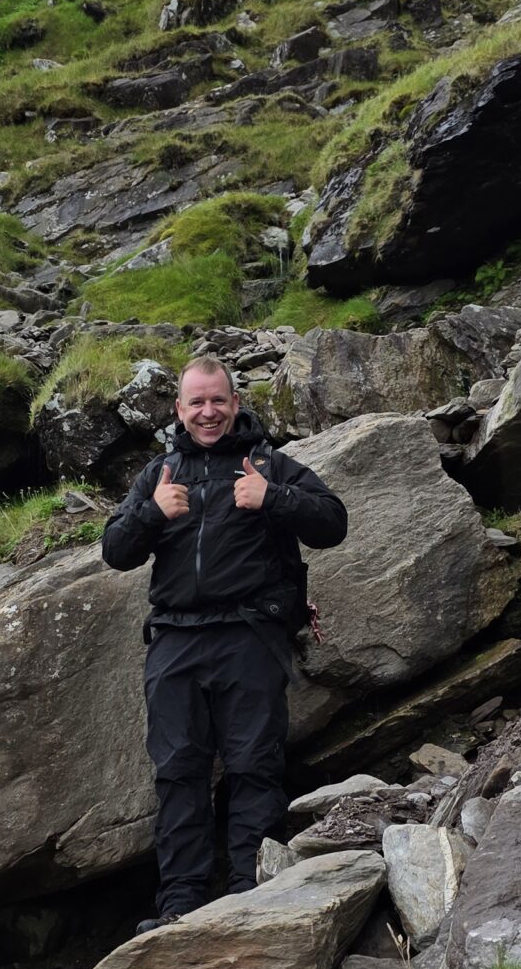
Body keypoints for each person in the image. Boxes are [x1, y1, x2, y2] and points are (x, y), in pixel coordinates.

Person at [102, 356, 348, 927]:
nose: (208, 412)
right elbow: (115, 550)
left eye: (218, 401)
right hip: (175, 640)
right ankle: (180, 907)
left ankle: (250, 895)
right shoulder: (159, 474)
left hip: (250, 635)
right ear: (179, 410)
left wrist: (274, 498)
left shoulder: (267, 464)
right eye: (196, 403)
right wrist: (151, 514)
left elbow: (333, 522)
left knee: (253, 766)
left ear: (235, 404)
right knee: (178, 771)